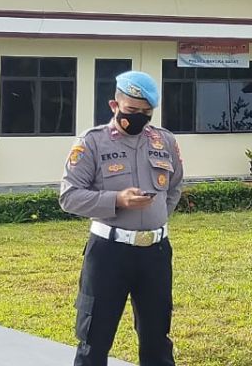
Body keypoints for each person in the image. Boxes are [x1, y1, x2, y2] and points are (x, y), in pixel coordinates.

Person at [60, 70, 183, 366]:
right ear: (114, 106)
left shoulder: (164, 141)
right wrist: (117, 200)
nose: (139, 117)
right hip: (109, 254)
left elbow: (175, 186)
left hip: (155, 253)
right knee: (95, 339)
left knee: (157, 340)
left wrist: (156, 216)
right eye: (132, 110)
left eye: (146, 113)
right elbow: (69, 196)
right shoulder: (92, 142)